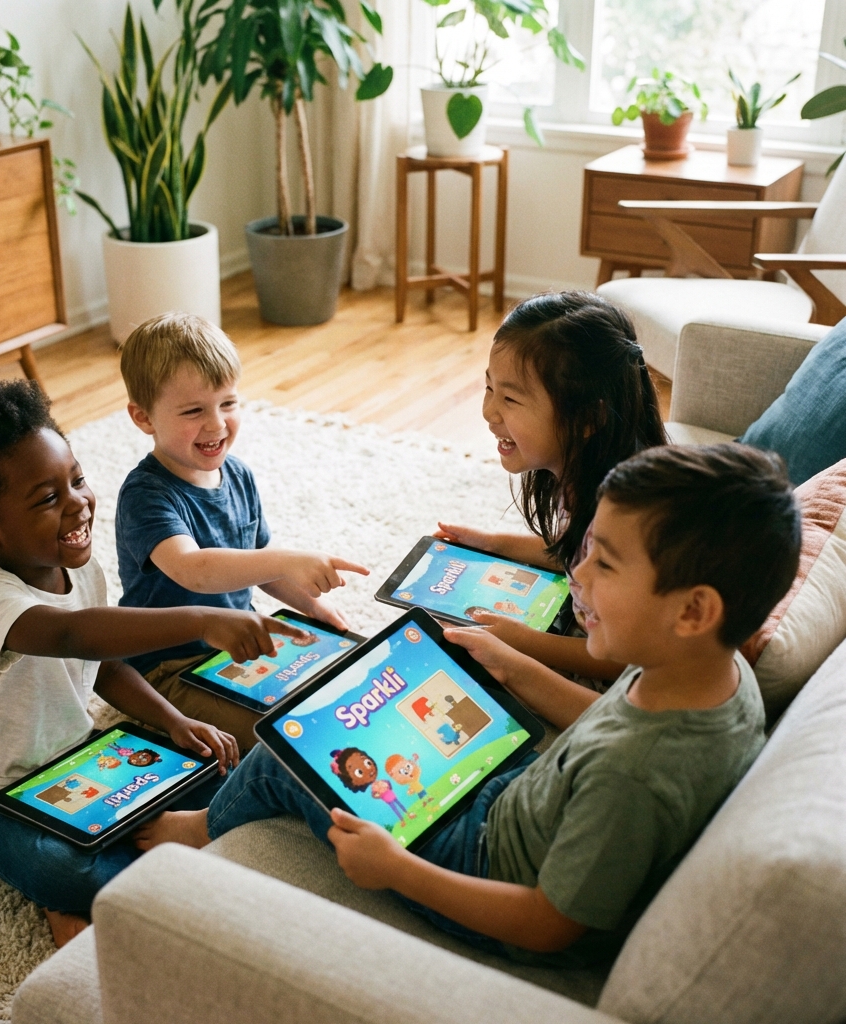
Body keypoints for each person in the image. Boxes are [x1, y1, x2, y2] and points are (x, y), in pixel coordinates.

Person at [135, 444, 800, 967]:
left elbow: (546, 924)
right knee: (407, 694)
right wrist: (511, 664)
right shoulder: (718, 675)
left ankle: (199, 829)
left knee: (289, 754)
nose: (577, 573)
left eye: (606, 564)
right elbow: (601, 721)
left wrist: (398, 870)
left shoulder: (635, 776)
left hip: (481, 862)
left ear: (693, 611)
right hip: (520, 799)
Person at [0, 380, 309, 949]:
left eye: (77, 480)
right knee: (68, 869)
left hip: (81, 758)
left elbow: (106, 664)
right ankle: (68, 897)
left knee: (224, 780)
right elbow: (70, 633)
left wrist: (174, 721)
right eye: (47, 499)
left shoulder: (81, 570)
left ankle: (110, 876)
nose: (78, 503)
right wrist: (199, 619)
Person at [115, 312, 368, 753]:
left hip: (240, 642)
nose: (216, 425)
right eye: (193, 411)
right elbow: (194, 570)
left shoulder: (238, 475)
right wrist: (287, 559)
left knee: (348, 685)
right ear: (144, 417)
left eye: (228, 403)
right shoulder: (145, 495)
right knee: (284, 737)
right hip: (168, 667)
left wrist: (315, 609)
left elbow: (259, 567)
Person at [435, 291, 667, 689]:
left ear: (588, 417)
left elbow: (625, 660)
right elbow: (572, 548)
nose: (489, 412)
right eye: (489, 388)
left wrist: (523, 643)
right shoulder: (584, 475)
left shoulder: (627, 519)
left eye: (510, 398)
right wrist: (492, 544)